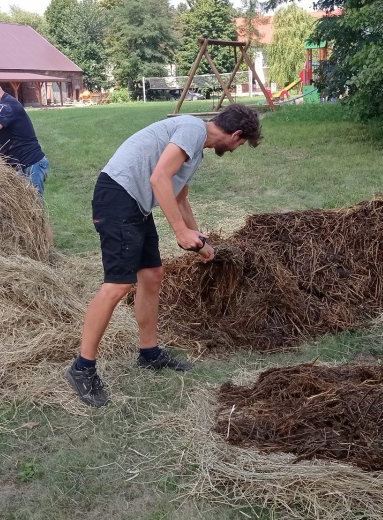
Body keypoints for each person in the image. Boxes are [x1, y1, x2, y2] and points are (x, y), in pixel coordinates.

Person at [66, 103, 263, 407]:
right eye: (241, 143)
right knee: (118, 285)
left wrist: (199, 240)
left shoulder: (195, 147)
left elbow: (180, 195)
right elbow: (158, 179)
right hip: (118, 199)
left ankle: (149, 353)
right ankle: (82, 368)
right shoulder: (192, 129)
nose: (237, 149)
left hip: (135, 206)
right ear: (236, 134)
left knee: (152, 275)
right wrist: (179, 232)